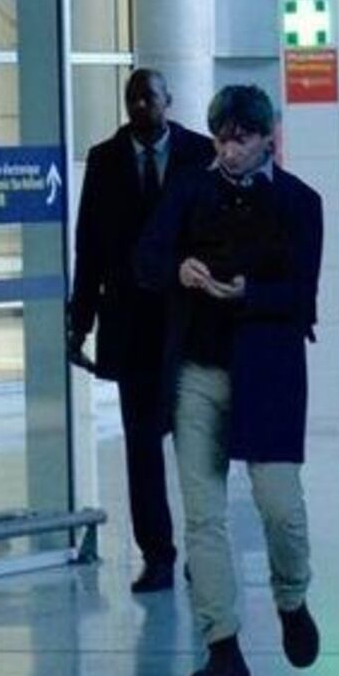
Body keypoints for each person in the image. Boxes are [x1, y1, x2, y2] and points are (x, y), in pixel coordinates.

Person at [135, 83, 324, 676]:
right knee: (203, 517)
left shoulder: (299, 203)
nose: (229, 150)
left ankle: (292, 600)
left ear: (268, 138)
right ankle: (222, 642)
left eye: (241, 139)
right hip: (198, 369)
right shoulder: (189, 189)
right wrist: (177, 269)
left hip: (267, 373)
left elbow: (302, 299)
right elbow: (146, 259)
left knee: (279, 506)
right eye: (221, 138)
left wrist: (247, 293)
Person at [67, 68, 213, 593]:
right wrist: (79, 321)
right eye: (133, 97)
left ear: (168, 99)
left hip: (192, 324)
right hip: (132, 326)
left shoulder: (200, 154)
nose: (141, 104)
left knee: (198, 444)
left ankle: (204, 549)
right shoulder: (105, 161)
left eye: (149, 96)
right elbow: (90, 248)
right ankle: (157, 554)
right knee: (142, 447)